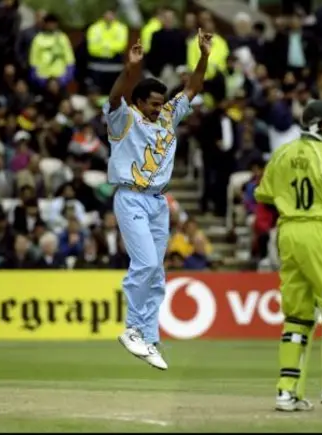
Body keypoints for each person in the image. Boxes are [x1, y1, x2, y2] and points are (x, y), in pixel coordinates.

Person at [103, 30, 212, 370]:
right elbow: (114, 98)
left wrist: (204, 56)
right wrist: (129, 69)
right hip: (131, 197)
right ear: (139, 102)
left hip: (158, 202)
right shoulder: (125, 118)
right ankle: (133, 329)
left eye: (161, 103)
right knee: (147, 264)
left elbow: (192, 88)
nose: (158, 108)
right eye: (152, 103)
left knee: (158, 274)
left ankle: (149, 339)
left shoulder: (167, 115)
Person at [254, 100, 322, 411]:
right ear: (317, 124)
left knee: (298, 315)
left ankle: (287, 391)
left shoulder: (283, 153)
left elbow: (262, 193)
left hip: (288, 232)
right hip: (320, 231)